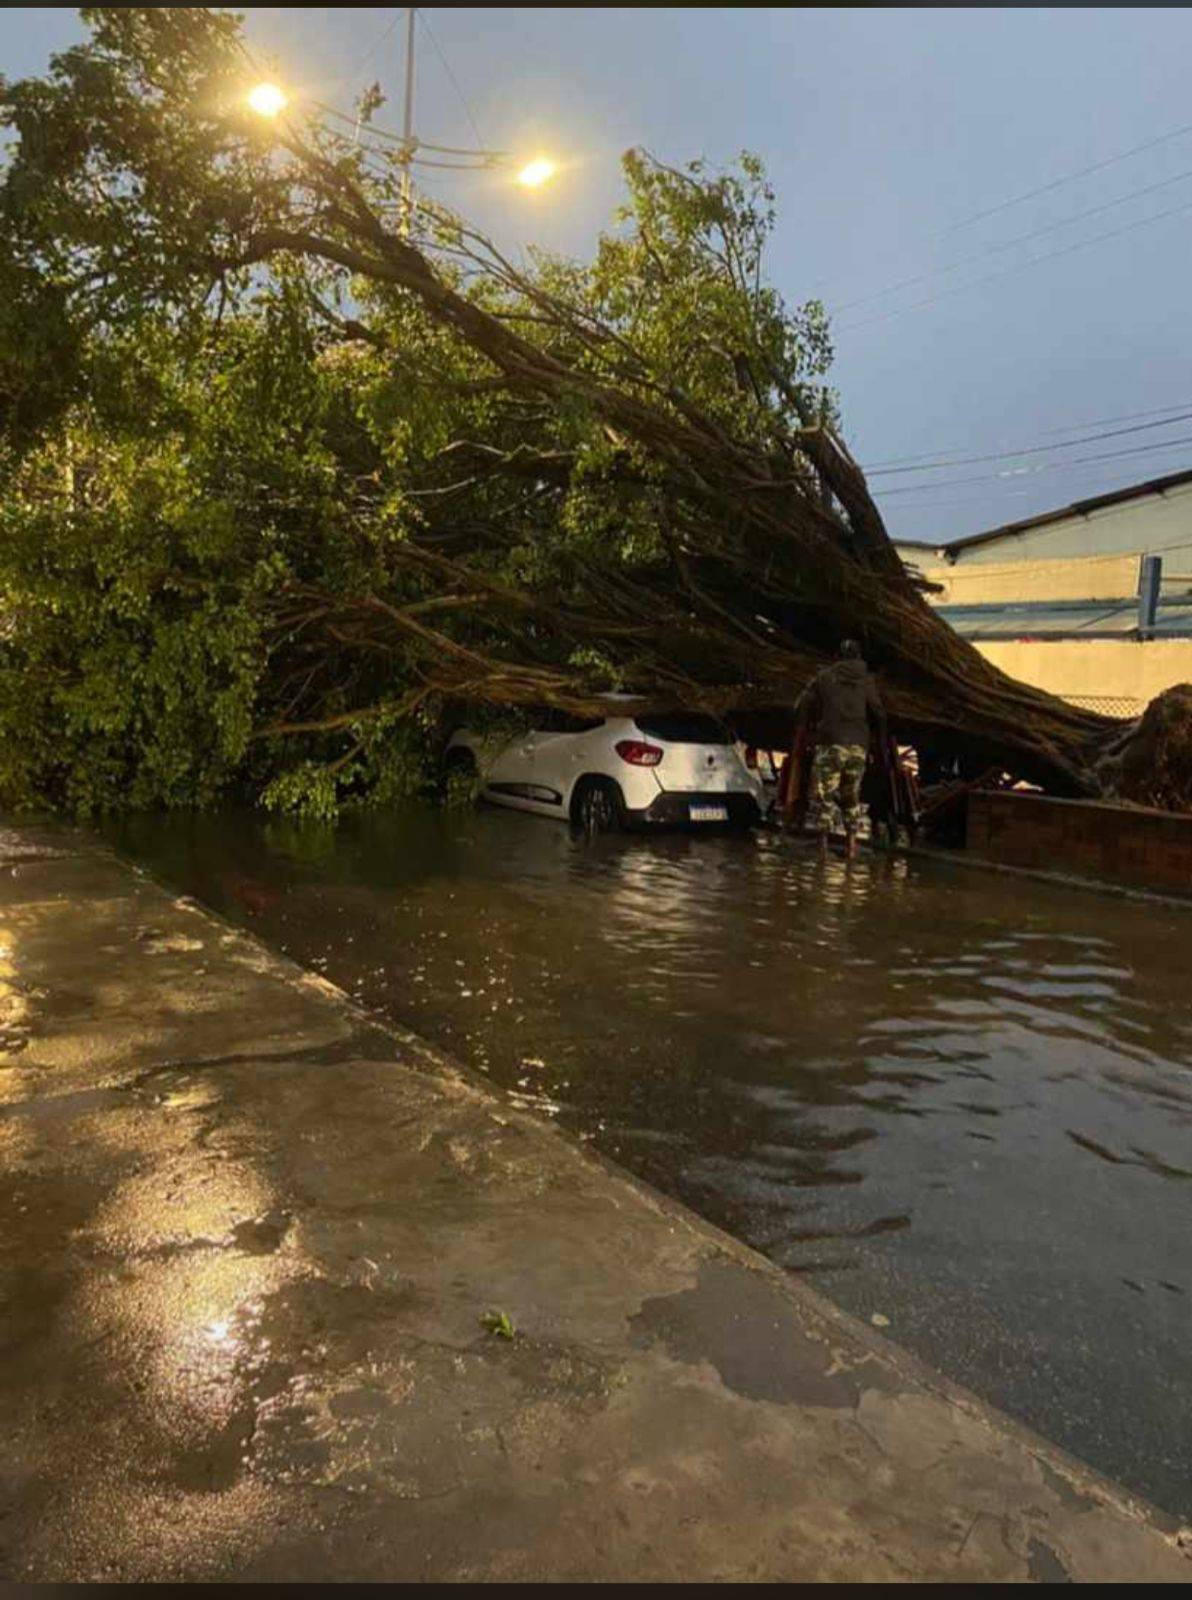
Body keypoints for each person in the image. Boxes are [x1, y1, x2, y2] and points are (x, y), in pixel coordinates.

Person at [794, 639, 886, 860]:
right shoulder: (867, 680)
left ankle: (823, 848)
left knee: (826, 795)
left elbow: (800, 705)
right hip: (858, 745)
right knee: (851, 795)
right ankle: (851, 846)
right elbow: (879, 713)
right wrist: (877, 741)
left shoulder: (824, 676)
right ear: (859, 656)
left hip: (831, 742)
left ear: (838, 656)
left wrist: (806, 728)